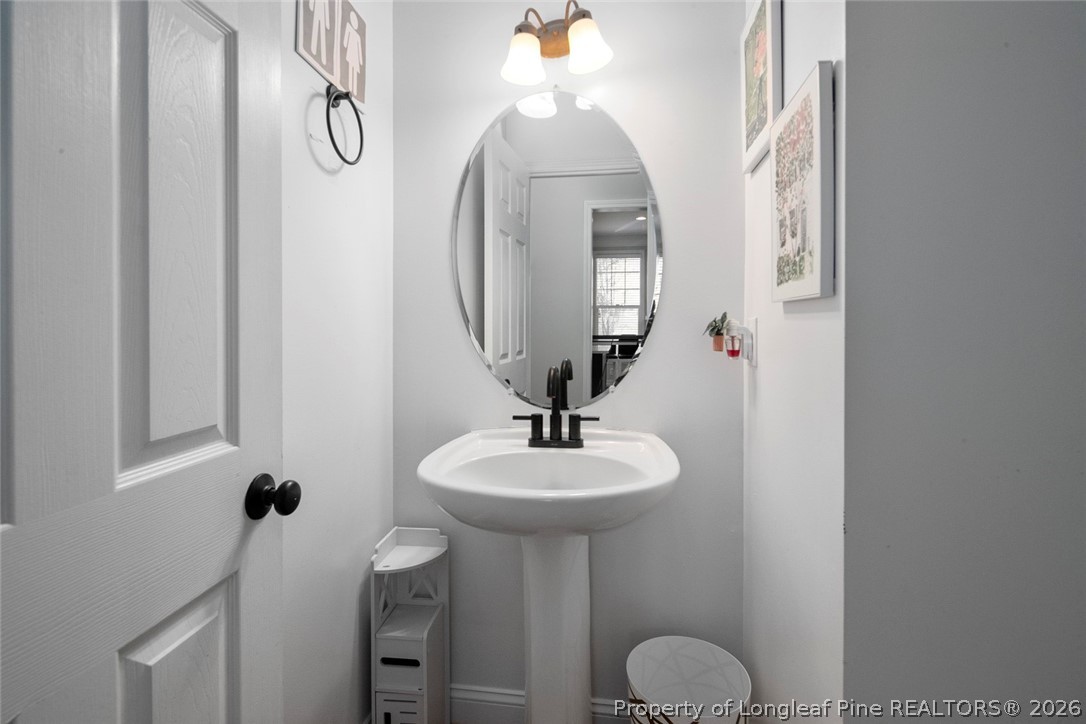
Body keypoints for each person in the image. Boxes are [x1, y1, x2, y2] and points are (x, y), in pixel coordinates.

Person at [342, 11, 364, 98]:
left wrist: (361, 61)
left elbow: (358, 48)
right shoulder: (349, 28)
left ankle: (353, 88)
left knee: (353, 72)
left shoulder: (357, 36)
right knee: (351, 70)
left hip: (354, 57)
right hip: (350, 55)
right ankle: (351, 87)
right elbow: (345, 41)